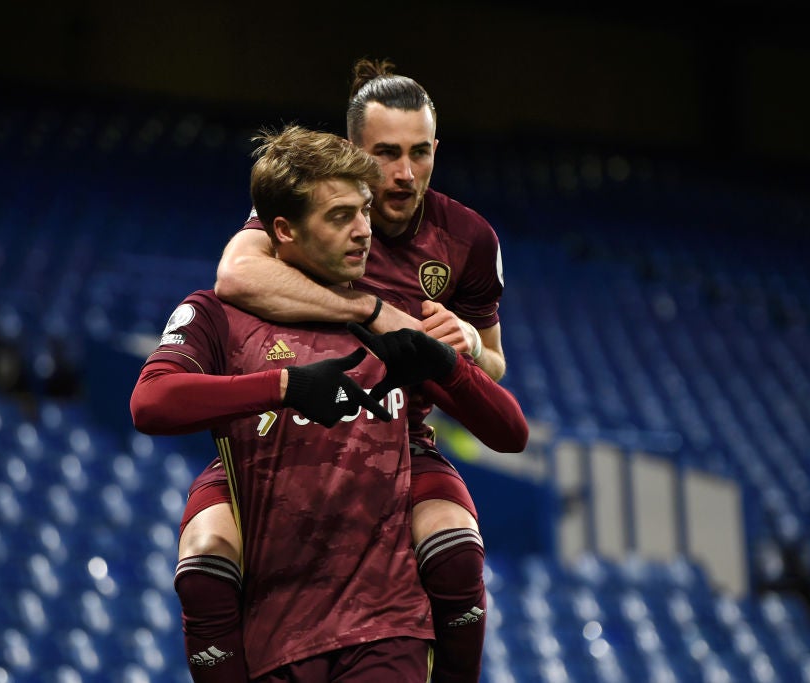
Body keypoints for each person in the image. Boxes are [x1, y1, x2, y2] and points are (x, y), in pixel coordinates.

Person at [130, 125, 528, 681]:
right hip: (279, 636)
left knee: (456, 548)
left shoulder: (390, 325)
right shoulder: (219, 314)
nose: (365, 232)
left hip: (386, 632)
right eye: (341, 217)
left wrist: (443, 363)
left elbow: (512, 433)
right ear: (284, 231)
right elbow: (151, 404)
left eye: (364, 211)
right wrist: (283, 388)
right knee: (204, 565)